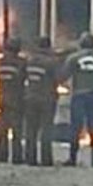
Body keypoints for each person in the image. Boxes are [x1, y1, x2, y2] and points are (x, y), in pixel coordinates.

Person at [60, 32, 93, 167]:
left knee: (75, 127)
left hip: (79, 95)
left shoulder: (73, 58)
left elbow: (63, 75)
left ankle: (72, 159)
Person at [23, 37, 60, 167]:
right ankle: (46, 160)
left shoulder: (29, 61)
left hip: (30, 98)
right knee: (46, 129)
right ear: (48, 47)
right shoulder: (51, 62)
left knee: (30, 129)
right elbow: (59, 78)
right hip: (47, 99)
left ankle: (30, 158)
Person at [0, 37, 27, 164]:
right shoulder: (21, 63)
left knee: (3, 129)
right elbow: (24, 77)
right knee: (16, 130)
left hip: (2, 98)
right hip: (16, 99)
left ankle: (1, 156)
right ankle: (17, 157)